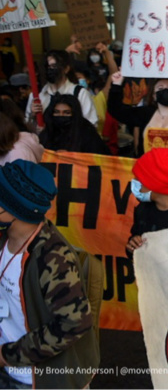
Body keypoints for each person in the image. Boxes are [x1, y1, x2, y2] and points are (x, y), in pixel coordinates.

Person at [0, 160, 98, 389]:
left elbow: (74, 323)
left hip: (37, 379)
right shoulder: (5, 238)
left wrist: (7, 355)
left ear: (12, 209)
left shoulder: (54, 259)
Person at [107, 73, 168, 156]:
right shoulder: (144, 114)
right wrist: (116, 85)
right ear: (154, 96)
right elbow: (116, 111)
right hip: (147, 167)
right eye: (160, 88)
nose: (165, 90)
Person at [26, 51, 97, 128]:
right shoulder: (36, 96)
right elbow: (28, 127)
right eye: (48, 67)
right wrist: (32, 116)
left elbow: (91, 124)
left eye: (54, 66)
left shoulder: (80, 93)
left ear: (66, 69)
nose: (50, 69)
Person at [38, 94, 108, 155]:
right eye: (56, 112)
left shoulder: (87, 133)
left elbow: (97, 158)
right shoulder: (47, 133)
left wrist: (72, 156)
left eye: (66, 113)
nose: (61, 115)